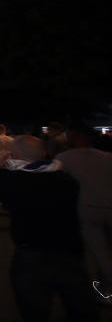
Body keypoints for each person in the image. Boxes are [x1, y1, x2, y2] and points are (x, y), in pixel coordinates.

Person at [0, 136, 101, 322]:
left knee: (35, 319)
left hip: (31, 256)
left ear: (14, 156)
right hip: (69, 254)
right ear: (43, 154)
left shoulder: (12, 180)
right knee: (83, 316)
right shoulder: (66, 180)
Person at [56, 123, 112, 301]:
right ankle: (104, 289)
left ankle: (102, 291)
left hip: (85, 207)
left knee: (99, 252)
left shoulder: (64, 158)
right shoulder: (107, 157)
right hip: (108, 204)